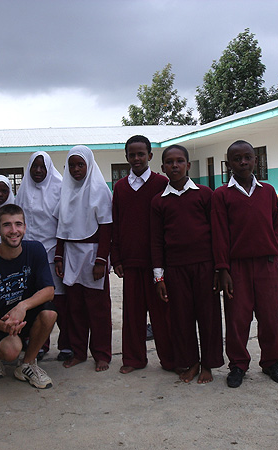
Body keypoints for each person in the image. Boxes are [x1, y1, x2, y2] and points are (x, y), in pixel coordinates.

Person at [212, 140, 278, 388]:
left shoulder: (267, 191)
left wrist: (277, 249)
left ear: (256, 160)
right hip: (237, 268)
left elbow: (277, 223)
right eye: (237, 159)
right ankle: (238, 365)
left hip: (267, 265)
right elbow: (219, 234)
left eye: (248, 157)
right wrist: (223, 268)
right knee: (237, 318)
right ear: (229, 163)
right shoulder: (222, 195)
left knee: (271, 316)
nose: (243, 162)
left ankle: (272, 363)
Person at [150, 145, 224, 384]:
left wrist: (218, 269)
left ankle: (208, 365)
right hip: (175, 269)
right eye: (169, 162)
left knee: (209, 317)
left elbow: (216, 233)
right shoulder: (159, 202)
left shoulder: (205, 194)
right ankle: (190, 362)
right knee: (181, 319)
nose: (175, 165)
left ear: (188, 165)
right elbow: (156, 241)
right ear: (162, 169)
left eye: (180, 161)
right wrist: (159, 278)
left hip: (204, 266)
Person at [0, 204, 57, 389]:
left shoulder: (35, 250)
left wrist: (22, 307)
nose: (14, 230)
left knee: (50, 313)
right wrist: (3, 325)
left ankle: (27, 364)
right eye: (7, 225)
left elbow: (49, 291)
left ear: (25, 227)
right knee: (11, 351)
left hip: (24, 317)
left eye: (18, 224)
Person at [111, 135, 173, 374]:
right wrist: (116, 258)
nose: (136, 158)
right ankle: (134, 359)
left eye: (141, 154)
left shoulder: (161, 183)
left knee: (162, 315)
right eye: (132, 154)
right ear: (126, 157)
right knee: (133, 315)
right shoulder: (120, 187)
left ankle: (169, 360)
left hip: (158, 263)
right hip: (131, 261)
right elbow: (116, 223)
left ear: (150, 155)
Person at [54, 145, 113, 372]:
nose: (76, 169)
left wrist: (101, 261)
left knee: (97, 309)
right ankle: (78, 352)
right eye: (71, 165)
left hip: (92, 254)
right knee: (75, 307)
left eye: (80, 164)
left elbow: (107, 229)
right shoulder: (66, 191)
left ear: (89, 165)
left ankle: (102, 354)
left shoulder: (99, 190)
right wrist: (59, 256)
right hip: (71, 255)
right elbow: (62, 227)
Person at [15, 151, 72, 362]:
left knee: (60, 301)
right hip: (31, 255)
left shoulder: (59, 188)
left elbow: (64, 224)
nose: (38, 171)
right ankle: (39, 344)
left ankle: (66, 344)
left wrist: (60, 254)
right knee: (35, 302)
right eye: (34, 167)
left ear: (49, 168)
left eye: (42, 167)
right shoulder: (23, 190)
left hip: (54, 253)